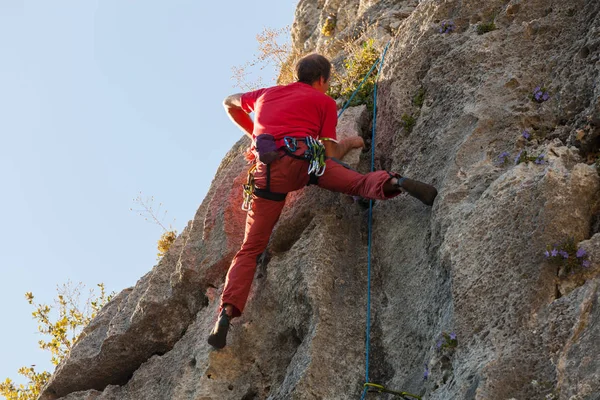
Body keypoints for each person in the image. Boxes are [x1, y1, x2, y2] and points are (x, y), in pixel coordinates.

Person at [207, 54, 437, 349]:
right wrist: (352, 142)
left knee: (250, 249)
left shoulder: (266, 94)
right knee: (355, 182)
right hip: (306, 166)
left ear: (297, 74)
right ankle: (395, 182)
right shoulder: (325, 103)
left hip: (269, 173)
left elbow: (228, 101)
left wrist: (255, 133)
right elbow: (329, 156)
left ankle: (226, 314)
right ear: (322, 80)